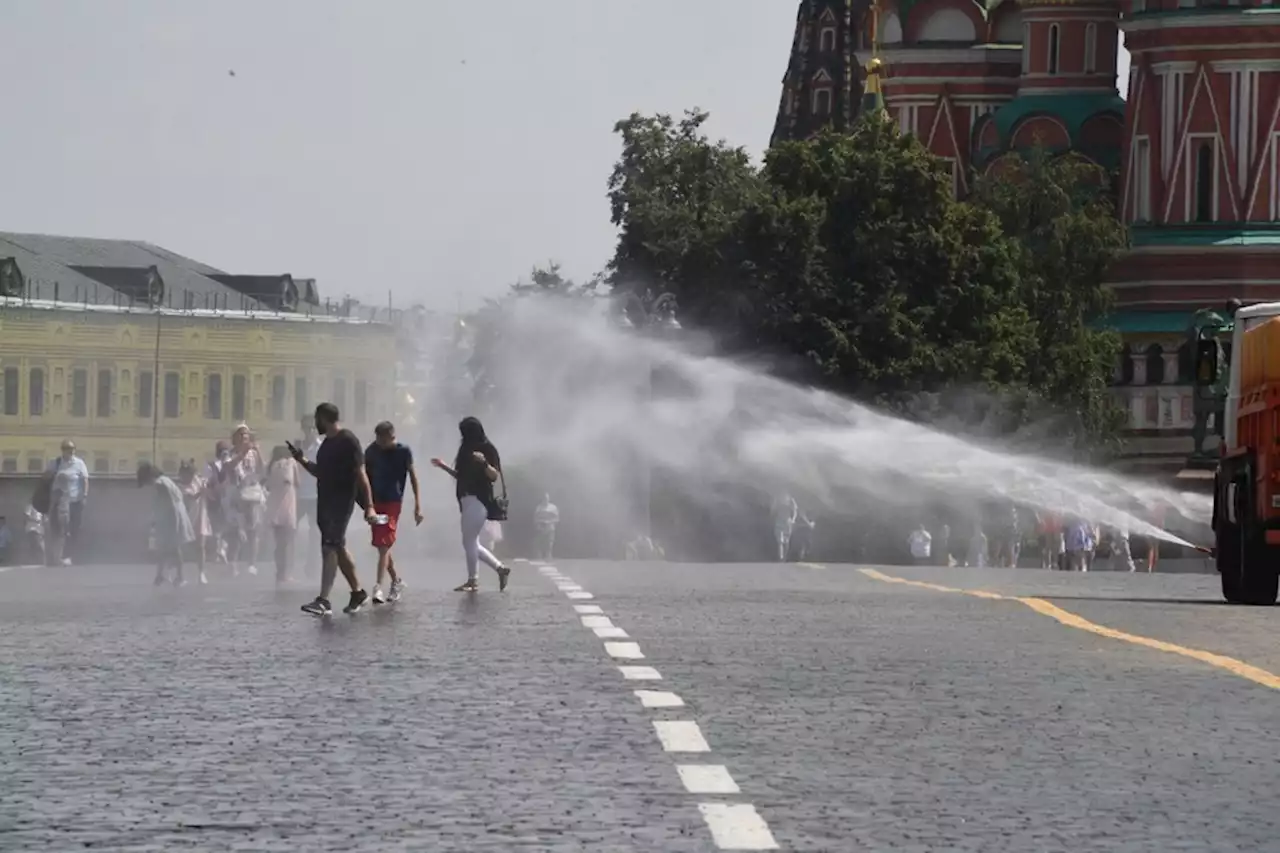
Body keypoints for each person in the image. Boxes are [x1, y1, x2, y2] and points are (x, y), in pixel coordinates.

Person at [293, 403, 375, 615]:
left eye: (317, 420)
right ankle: (358, 592)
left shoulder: (348, 440)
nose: (315, 425)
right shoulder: (327, 444)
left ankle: (323, 600)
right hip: (326, 502)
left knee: (330, 547)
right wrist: (301, 459)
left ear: (324, 418)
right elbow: (320, 472)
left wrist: (370, 507)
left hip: (341, 502)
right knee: (337, 546)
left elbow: (361, 474)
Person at [430, 416, 511, 592]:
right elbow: (461, 476)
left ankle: (473, 580)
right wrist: (443, 466)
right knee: (470, 543)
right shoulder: (465, 450)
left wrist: (483, 463)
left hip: (478, 501)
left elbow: (494, 476)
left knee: (469, 541)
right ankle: (500, 569)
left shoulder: (487, 449)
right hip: (466, 501)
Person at [364, 421, 422, 604]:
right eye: (377, 439)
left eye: (382, 439)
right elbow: (364, 477)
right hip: (375, 503)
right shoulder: (371, 451)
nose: (379, 443)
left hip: (393, 503)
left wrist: (418, 505)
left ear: (391, 436)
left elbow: (413, 477)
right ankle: (396, 581)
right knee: (383, 545)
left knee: (383, 545)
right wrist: (366, 504)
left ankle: (378, 587)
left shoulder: (403, 451)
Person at [138, 462, 197, 586]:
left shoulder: (160, 484)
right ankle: (161, 575)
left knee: (173, 547)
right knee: (165, 547)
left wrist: (166, 521)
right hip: (172, 517)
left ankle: (179, 577)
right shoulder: (165, 480)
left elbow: (169, 503)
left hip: (171, 518)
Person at [223, 424, 265, 577]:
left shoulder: (253, 453)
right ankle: (232, 564)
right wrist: (242, 453)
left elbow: (262, 469)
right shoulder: (229, 453)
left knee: (253, 530)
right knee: (235, 531)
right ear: (234, 438)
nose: (244, 437)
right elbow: (228, 467)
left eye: (246, 434)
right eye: (240, 434)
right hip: (236, 494)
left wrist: (257, 450)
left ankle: (252, 564)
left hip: (252, 494)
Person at [47, 440, 89, 566]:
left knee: (73, 530)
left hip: (74, 501)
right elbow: (47, 478)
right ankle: (56, 557)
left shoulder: (79, 463)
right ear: (63, 450)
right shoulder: (55, 463)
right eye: (67, 448)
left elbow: (85, 480)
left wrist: (85, 496)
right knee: (58, 529)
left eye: (72, 448)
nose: (71, 451)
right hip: (59, 502)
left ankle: (70, 556)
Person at [266, 445, 300, 584]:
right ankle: (286, 575)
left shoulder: (272, 466)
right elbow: (298, 482)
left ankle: (279, 573)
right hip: (288, 507)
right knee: (287, 543)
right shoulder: (291, 463)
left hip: (274, 507)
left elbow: (268, 485)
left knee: (279, 543)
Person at [294, 416, 323, 575]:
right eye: (307, 428)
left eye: (312, 427)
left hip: (315, 495)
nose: (310, 431)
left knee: (314, 532)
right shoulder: (298, 446)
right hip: (298, 494)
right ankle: (290, 566)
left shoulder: (321, 447)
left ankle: (311, 566)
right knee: (291, 529)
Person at [177, 460, 211, 584]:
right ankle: (178, 574)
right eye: (184, 474)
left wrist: (207, 488)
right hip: (186, 520)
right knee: (180, 548)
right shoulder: (180, 487)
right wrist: (201, 492)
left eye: (190, 474)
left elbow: (207, 487)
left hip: (201, 517)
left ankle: (201, 573)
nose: (188, 477)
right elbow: (191, 497)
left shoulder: (198, 480)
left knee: (201, 547)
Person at [771, 492, 798, 562]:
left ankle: (785, 557)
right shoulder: (777, 500)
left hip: (787, 522)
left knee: (786, 541)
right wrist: (774, 503)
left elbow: (795, 511)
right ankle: (781, 557)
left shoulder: (791, 501)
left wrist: (793, 519)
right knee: (780, 540)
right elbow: (772, 511)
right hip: (779, 521)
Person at [534, 493, 560, 561]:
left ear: (549, 499)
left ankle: (549, 556)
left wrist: (550, 522)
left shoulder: (553, 507)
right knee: (540, 542)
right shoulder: (539, 507)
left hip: (550, 527)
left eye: (547, 498)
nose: (545, 500)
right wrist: (539, 523)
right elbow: (536, 518)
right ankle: (539, 557)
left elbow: (557, 518)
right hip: (541, 528)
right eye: (544, 498)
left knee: (549, 542)